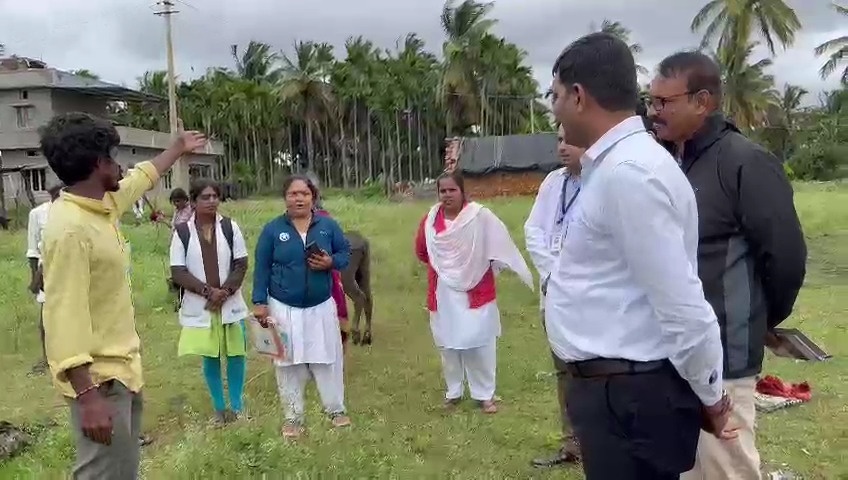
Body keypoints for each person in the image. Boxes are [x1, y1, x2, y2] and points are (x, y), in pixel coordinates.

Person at [545, 33, 735, 480]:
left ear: (578, 96)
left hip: (629, 398)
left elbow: (682, 305)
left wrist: (711, 396)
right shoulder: (614, 168)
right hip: (614, 391)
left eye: (554, 95)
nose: (552, 108)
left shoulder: (629, 175)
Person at [649, 51, 807, 480]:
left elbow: (786, 260)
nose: (654, 112)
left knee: (724, 470)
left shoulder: (744, 162)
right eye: (652, 102)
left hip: (724, 355)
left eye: (665, 102)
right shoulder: (667, 162)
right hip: (670, 353)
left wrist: (757, 320)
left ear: (703, 101)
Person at [39, 112, 206, 480]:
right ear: (99, 164)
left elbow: (141, 178)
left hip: (122, 374)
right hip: (99, 382)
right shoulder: (70, 228)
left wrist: (177, 149)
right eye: (114, 159)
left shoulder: (100, 205)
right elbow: (61, 314)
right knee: (101, 475)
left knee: (122, 472)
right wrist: (87, 397)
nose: (121, 167)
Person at [415, 171, 533, 414]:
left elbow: (498, 244)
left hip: (476, 290)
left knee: (480, 343)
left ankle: (484, 395)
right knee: (448, 345)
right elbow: (422, 251)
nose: (447, 195)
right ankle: (454, 392)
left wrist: (473, 266)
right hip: (443, 291)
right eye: (443, 191)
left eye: (452, 190)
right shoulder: (430, 221)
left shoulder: (480, 217)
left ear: (462, 191)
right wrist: (448, 268)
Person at [252, 175, 352, 440]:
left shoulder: (328, 226)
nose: (298, 198)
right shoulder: (273, 230)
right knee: (287, 362)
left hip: (320, 305)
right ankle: (293, 416)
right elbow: (261, 268)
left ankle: (335, 409)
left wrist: (331, 262)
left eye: (304, 194)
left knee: (327, 358)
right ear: (285, 197)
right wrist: (259, 302)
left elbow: (345, 254)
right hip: (283, 306)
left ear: (313, 197)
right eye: (293, 194)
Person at [524, 123, 584, 467]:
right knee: (564, 375)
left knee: (592, 374)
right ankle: (571, 446)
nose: (563, 146)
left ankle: (598, 445)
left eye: (571, 139)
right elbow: (534, 230)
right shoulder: (553, 182)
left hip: (587, 296)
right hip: (555, 294)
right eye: (559, 139)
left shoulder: (603, 182)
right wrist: (551, 273)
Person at [169, 179, 250, 424]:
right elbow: (178, 271)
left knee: (236, 354)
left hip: (229, 303)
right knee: (210, 356)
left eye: (215, 196)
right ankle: (219, 408)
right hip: (202, 305)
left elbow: (241, 263)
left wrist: (224, 292)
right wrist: (208, 292)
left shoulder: (229, 227)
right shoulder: (183, 232)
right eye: (205, 197)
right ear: (193, 202)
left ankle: (236, 407)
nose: (212, 201)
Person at [25, 182, 63, 375]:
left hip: (71, 270)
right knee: (45, 319)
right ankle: (47, 358)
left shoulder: (76, 213)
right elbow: (32, 251)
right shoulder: (38, 214)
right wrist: (35, 280)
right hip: (45, 272)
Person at [312, 190, 351, 349]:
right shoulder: (283, 225)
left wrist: (330, 261)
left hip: (327, 279)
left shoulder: (326, 221)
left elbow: (343, 252)